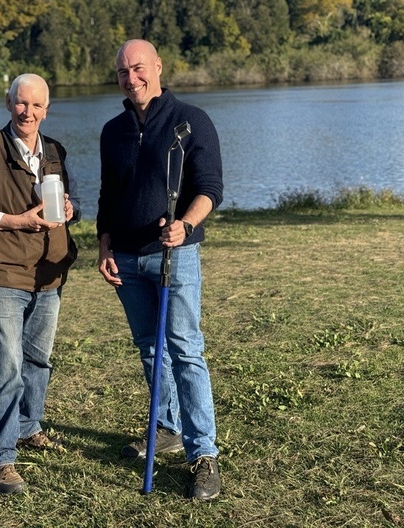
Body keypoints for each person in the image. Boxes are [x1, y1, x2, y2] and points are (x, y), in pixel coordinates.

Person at [96, 39, 224, 500]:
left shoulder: (191, 122)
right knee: (151, 349)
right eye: (123, 72)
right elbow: (108, 197)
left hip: (175, 255)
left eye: (138, 68)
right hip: (127, 259)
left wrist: (186, 225)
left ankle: (203, 454)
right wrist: (104, 244)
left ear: (158, 68)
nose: (131, 78)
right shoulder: (112, 130)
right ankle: (167, 429)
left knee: (186, 350)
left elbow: (210, 188)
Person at [0, 73, 80, 495]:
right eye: (21, 103)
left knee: (37, 358)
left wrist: (68, 208)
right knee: (7, 360)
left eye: (37, 105)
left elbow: (68, 204)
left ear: (47, 109)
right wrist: (16, 220)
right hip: (3, 270)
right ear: (8, 103)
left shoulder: (56, 151)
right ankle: (1, 458)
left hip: (48, 271)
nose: (29, 112)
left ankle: (28, 427)